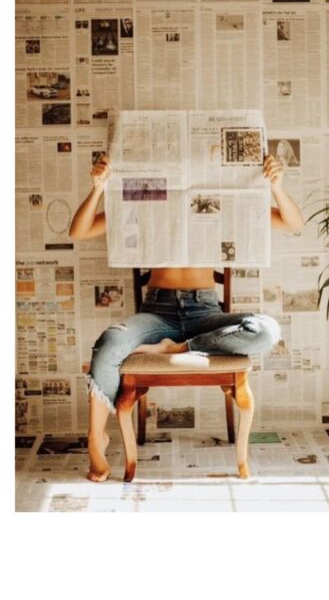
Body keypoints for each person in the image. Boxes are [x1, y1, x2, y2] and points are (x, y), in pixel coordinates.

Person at [69, 152, 303, 482]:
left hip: (204, 311)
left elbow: (293, 223)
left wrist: (277, 186)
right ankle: (96, 438)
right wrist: (97, 188)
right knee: (110, 341)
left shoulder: (220, 202)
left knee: (266, 329)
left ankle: (179, 347)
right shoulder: (146, 201)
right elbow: (79, 231)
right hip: (157, 312)